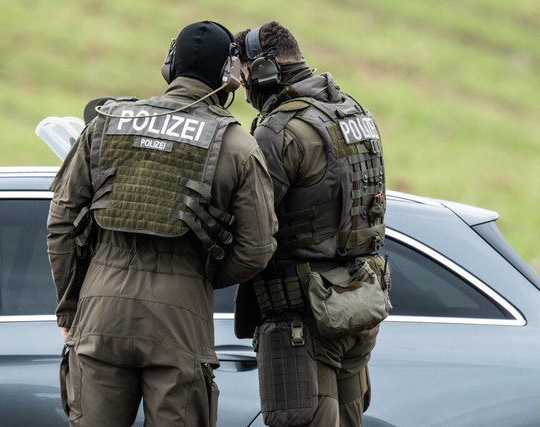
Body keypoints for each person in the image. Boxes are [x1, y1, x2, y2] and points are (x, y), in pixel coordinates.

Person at [47, 21, 278, 427]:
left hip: (100, 311)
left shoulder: (105, 122)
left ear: (169, 65)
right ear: (228, 74)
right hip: (181, 320)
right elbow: (256, 248)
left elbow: (62, 221)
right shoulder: (238, 145)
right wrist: (200, 275)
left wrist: (70, 308)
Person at [233, 21, 389, 427]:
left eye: (245, 73)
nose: (242, 84)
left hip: (304, 316)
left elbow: (246, 221)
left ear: (265, 71)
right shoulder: (354, 112)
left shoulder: (280, 131)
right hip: (356, 305)